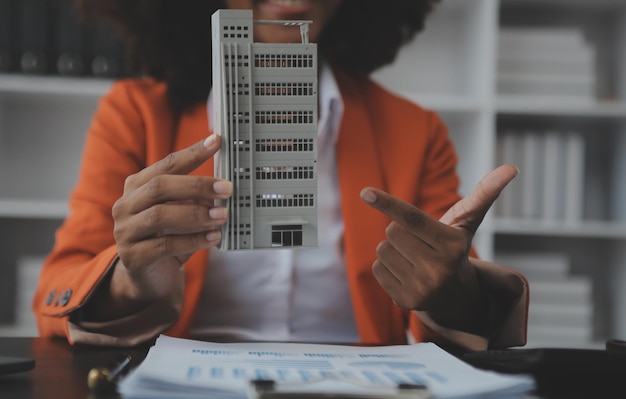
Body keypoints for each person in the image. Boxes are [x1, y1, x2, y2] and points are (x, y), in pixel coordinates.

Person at [33, 0, 528, 351]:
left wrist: (450, 290)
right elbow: (56, 289)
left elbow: (453, 299)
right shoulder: (135, 114)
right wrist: (131, 278)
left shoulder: (415, 131)